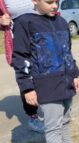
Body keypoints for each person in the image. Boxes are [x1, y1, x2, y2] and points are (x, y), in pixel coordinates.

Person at [12, 0, 79, 143]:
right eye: (49, 2)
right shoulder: (26, 23)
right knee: (53, 126)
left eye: (57, 1)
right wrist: (27, 87)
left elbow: (67, 52)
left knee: (65, 118)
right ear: (34, 1)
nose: (55, 6)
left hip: (65, 81)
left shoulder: (62, 22)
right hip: (45, 84)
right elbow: (21, 58)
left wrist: (74, 74)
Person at [0, 0, 44, 133]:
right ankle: (33, 118)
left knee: (47, 73)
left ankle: (54, 110)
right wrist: (1, 22)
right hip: (19, 41)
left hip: (41, 37)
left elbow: (51, 5)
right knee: (26, 77)